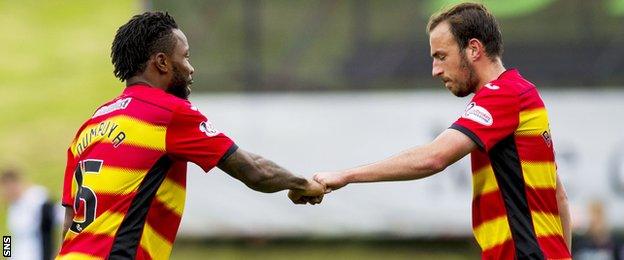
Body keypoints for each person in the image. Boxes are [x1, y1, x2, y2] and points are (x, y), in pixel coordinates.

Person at [56, 12, 324, 260]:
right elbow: (254, 170)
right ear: (162, 62)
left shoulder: (90, 127)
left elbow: (69, 223)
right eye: (185, 57)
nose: (191, 68)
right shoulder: (166, 112)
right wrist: (302, 184)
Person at [314, 3, 571, 259]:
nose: (435, 70)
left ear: (473, 49)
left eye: (441, 56)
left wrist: (345, 176)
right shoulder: (522, 93)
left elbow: (434, 157)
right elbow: (559, 196)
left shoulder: (504, 95)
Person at [1, 168, 58, 260]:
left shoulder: (38, 198)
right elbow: (9, 237)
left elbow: (56, 223)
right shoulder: (12, 205)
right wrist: (6, 255)